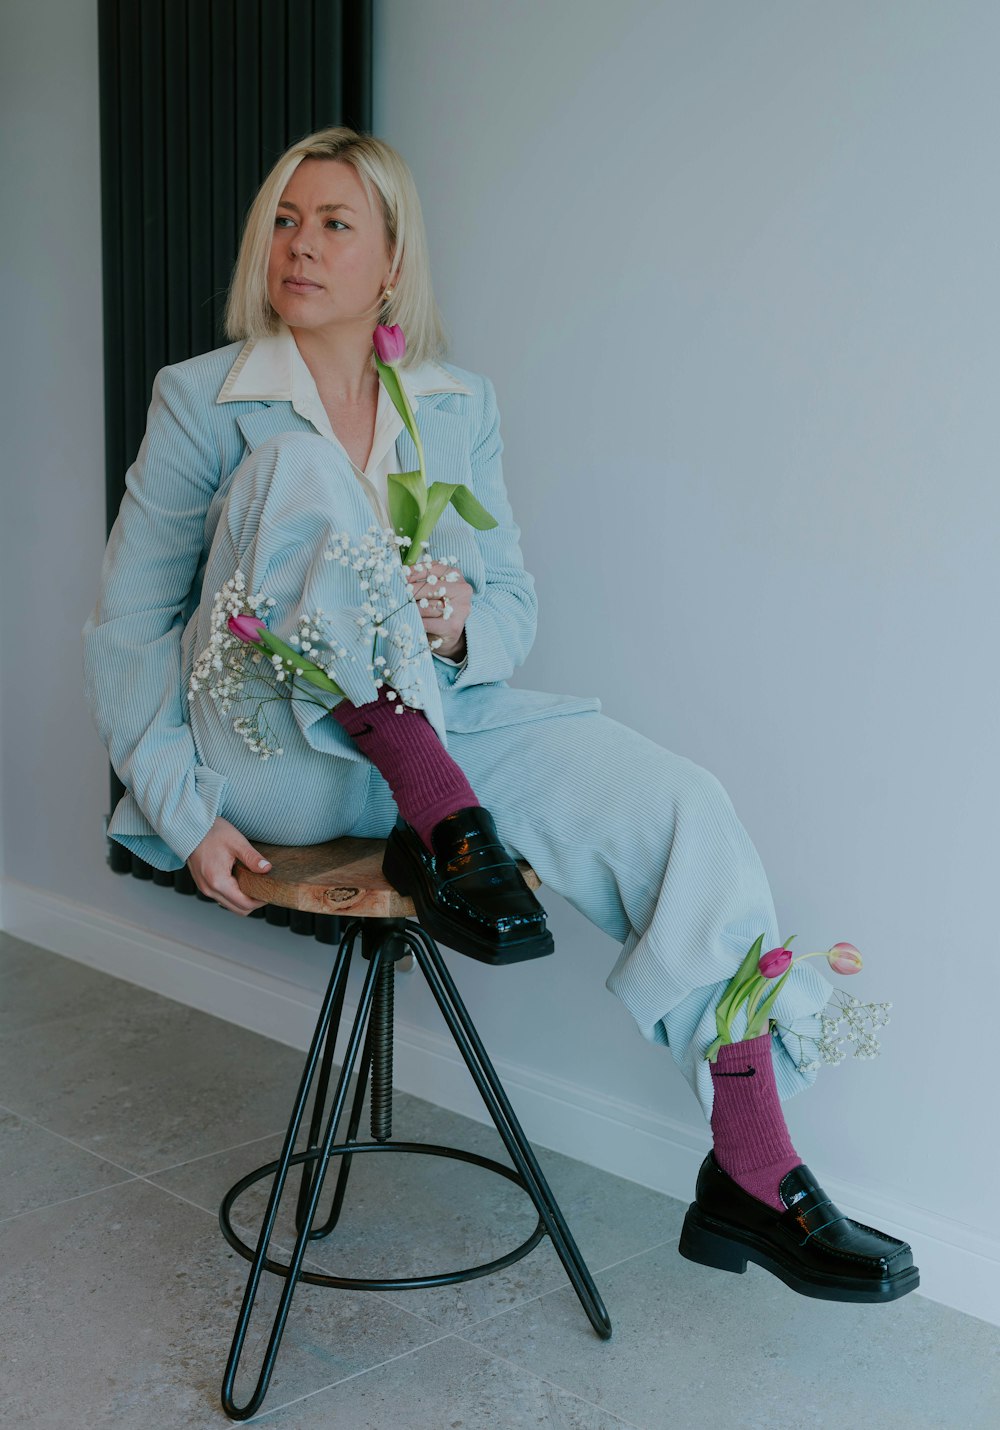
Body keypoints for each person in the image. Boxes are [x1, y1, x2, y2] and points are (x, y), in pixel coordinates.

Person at [82, 126, 917, 1304]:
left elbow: (514, 608)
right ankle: (448, 820)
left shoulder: (454, 404)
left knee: (678, 802)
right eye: (283, 219)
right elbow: (126, 627)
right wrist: (176, 804)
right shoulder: (202, 400)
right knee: (299, 478)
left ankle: (751, 1164)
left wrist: (462, 615)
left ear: (389, 262)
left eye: (333, 224)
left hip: (434, 733)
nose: (300, 245)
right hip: (266, 752)